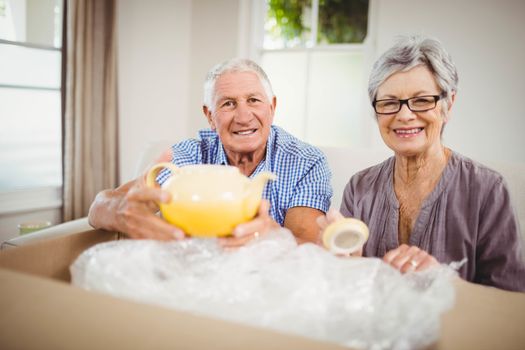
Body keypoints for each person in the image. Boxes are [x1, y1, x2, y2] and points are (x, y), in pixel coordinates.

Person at [318, 35, 525, 291]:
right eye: (390, 103)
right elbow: (344, 290)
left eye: (422, 100)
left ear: (448, 105)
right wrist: (346, 265)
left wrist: (442, 281)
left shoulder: (488, 189)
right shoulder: (359, 188)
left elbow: (510, 301)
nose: (404, 115)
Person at [89, 58, 332, 247]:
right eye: (228, 103)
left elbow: (310, 250)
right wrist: (122, 213)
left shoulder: (306, 161)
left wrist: (272, 237)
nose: (243, 116)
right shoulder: (189, 157)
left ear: (272, 107)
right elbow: (99, 207)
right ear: (209, 116)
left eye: (254, 100)